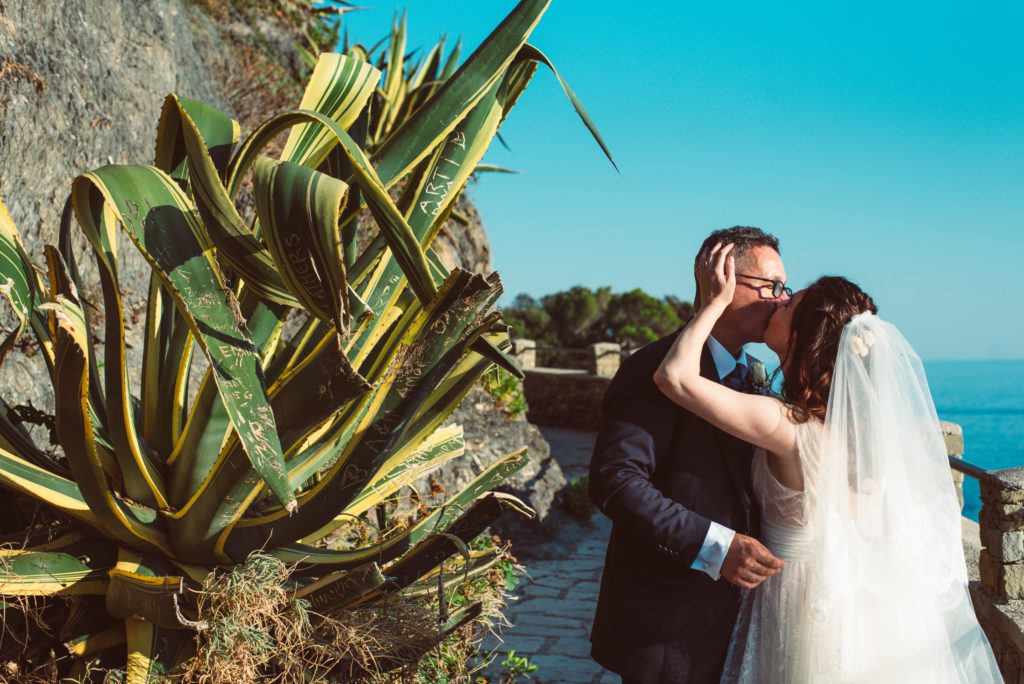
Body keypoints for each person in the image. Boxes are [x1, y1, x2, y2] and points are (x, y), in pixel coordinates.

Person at [653, 241, 1002, 682]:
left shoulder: (788, 425)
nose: (778, 300)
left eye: (789, 303)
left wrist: (712, 302)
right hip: (855, 603)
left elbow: (674, 377)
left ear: (802, 336)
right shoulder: (865, 434)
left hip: (797, 599)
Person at [589, 226, 788, 684]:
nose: (780, 300)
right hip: (667, 620)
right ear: (723, 277)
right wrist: (717, 546)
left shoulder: (754, 374)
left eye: (784, 290)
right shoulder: (651, 369)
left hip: (738, 621)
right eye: (771, 286)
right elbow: (615, 482)